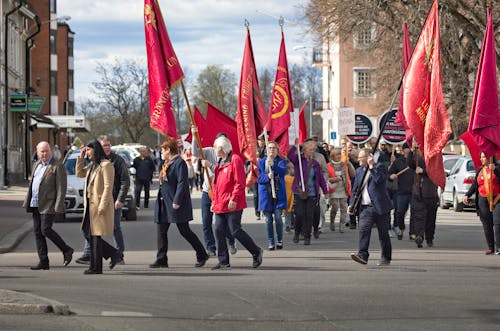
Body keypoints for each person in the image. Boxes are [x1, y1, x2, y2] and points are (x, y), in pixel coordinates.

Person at [150, 137, 209, 268]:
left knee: (184, 230)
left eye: (163, 150)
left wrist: (177, 200)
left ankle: (202, 254)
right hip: (164, 202)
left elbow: (182, 183)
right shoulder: (167, 163)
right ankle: (161, 258)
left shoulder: (179, 163)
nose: (161, 152)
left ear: (169, 150)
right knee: (161, 230)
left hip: (176, 202)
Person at [75, 135, 129, 265]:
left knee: (109, 229)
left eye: (108, 145)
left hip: (108, 201)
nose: (107, 147)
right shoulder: (94, 164)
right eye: (104, 145)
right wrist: (81, 157)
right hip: (91, 204)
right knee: (89, 232)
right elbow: (79, 173)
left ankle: (114, 255)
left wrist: (117, 200)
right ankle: (109, 255)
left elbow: (111, 185)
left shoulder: (112, 162)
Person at [211, 135, 263, 269]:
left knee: (235, 231)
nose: (214, 149)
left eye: (215, 147)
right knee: (218, 230)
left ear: (221, 148)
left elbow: (239, 182)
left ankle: (256, 251)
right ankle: (223, 261)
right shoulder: (219, 163)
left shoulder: (235, 160)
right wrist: (214, 201)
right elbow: (216, 185)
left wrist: (234, 198)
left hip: (233, 203)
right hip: (220, 204)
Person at [23, 141, 74, 270]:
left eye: (46, 151)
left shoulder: (57, 166)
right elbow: (33, 185)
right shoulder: (36, 165)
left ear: (50, 151)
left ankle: (66, 250)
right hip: (35, 203)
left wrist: (59, 205)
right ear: (37, 151)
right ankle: (44, 261)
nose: (44, 154)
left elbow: (61, 188)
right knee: (38, 232)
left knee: (45, 229)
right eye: (42, 151)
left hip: (49, 204)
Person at [191, 127, 237, 257]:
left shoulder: (230, 157)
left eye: (223, 144)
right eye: (218, 143)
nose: (219, 147)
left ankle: (231, 240)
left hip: (222, 193)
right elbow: (195, 152)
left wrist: (210, 165)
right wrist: (195, 136)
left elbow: (225, 172)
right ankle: (210, 247)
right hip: (208, 191)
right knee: (206, 220)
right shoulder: (209, 151)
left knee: (221, 223)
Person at [348, 148, 393, 266]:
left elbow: (379, 180)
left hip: (380, 207)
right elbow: (355, 190)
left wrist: (372, 167)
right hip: (365, 208)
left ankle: (386, 257)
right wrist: (351, 204)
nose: (358, 160)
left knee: (383, 234)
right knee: (363, 230)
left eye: (361, 157)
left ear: (369, 157)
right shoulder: (359, 171)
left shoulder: (380, 167)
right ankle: (362, 255)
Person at [287, 140, 328, 245]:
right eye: (310, 150)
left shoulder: (315, 164)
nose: (312, 151)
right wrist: (295, 147)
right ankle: (297, 232)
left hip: (312, 193)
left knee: (309, 215)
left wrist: (325, 190)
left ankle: (307, 236)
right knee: (300, 214)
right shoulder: (298, 161)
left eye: (313, 150)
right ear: (304, 150)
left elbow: (320, 179)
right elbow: (290, 156)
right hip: (299, 191)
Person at [464, 153, 500, 255]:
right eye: (481, 156)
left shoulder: (497, 168)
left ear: (490, 158)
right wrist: (467, 195)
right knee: (487, 224)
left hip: (497, 199)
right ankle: (491, 247)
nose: (481, 159)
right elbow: (475, 185)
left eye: (484, 157)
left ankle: (499, 247)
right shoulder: (480, 170)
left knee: (497, 222)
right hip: (483, 199)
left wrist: (496, 170)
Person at [257, 141, 287, 250]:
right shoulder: (261, 162)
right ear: (266, 150)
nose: (272, 150)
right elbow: (259, 179)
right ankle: (271, 241)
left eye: (274, 148)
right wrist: (267, 177)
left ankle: (279, 239)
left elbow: (283, 172)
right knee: (268, 219)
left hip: (278, 194)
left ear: (277, 150)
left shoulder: (281, 161)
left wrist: (273, 166)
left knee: (278, 218)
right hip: (266, 195)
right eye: (269, 148)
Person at [408, 144, 438, 248]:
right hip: (418, 193)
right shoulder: (418, 158)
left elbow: (436, 172)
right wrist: (411, 151)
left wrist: (423, 171)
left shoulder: (435, 157)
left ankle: (429, 238)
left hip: (430, 194)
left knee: (430, 218)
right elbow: (410, 164)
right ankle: (419, 236)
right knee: (418, 217)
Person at [388, 143, 414, 240]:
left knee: (415, 213)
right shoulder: (398, 162)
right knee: (400, 212)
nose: (408, 150)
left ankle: (413, 232)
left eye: (409, 148)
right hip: (402, 191)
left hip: (414, 192)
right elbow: (389, 174)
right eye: (406, 148)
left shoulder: (416, 162)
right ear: (403, 150)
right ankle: (401, 228)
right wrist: (391, 176)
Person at [327, 147, 355, 233]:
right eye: (336, 155)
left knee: (343, 208)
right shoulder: (328, 165)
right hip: (333, 190)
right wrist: (335, 179)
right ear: (332, 156)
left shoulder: (344, 164)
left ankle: (342, 225)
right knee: (335, 207)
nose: (339, 156)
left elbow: (353, 174)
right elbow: (326, 178)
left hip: (344, 189)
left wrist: (349, 164)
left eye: (340, 154)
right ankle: (332, 221)